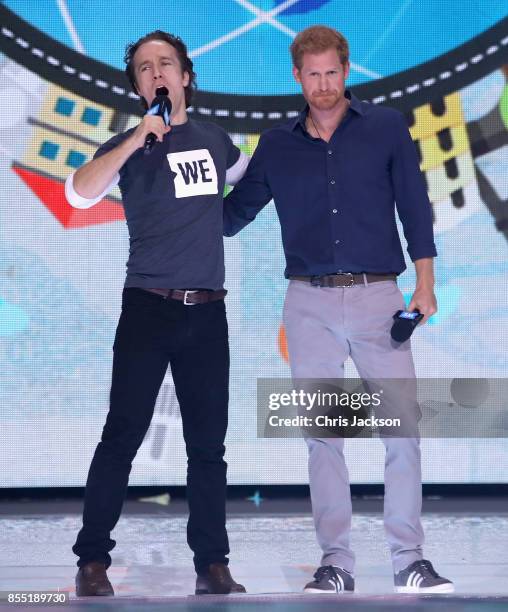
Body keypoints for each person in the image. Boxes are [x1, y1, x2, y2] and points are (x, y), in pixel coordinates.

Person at [223, 25, 453, 594]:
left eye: (331, 73)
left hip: (381, 298)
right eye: (312, 75)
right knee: (324, 435)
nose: (323, 85)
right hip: (308, 303)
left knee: (401, 432)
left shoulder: (386, 126)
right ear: (296, 77)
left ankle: (410, 560)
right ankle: (336, 562)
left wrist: (424, 285)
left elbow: (415, 207)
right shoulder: (276, 146)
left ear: (346, 72)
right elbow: (231, 217)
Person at [65, 30, 248, 597]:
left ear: (186, 76)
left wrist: (222, 226)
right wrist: (136, 138)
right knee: (121, 434)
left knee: (207, 446)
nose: (157, 72)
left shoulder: (216, 141)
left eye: (166, 63)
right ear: (139, 86)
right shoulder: (127, 145)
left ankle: (212, 563)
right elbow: (78, 193)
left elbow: (248, 185)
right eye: (145, 68)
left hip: (206, 314)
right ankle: (92, 560)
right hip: (146, 309)